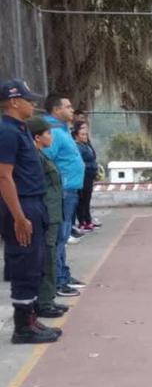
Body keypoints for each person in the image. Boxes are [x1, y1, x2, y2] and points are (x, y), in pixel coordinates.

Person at [0, 80, 60, 344]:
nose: (33, 104)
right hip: (21, 205)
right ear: (14, 101)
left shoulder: (20, 128)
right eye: (29, 100)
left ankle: (31, 319)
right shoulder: (7, 132)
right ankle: (22, 327)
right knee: (24, 263)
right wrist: (19, 217)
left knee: (34, 263)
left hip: (33, 202)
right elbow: (3, 176)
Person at [42, 93, 86, 295]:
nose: (71, 109)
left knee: (64, 234)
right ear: (56, 110)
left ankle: (64, 275)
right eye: (67, 106)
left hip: (70, 190)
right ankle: (58, 280)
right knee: (59, 236)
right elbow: (46, 159)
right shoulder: (52, 132)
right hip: (63, 192)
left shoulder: (61, 130)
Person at [27, 116, 71, 317]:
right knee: (47, 258)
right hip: (46, 214)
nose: (51, 136)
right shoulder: (34, 158)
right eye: (47, 133)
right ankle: (43, 302)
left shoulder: (41, 155)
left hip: (53, 213)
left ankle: (48, 298)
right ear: (37, 137)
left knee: (50, 257)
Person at [73, 120, 98, 231]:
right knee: (82, 199)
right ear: (76, 135)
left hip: (90, 176)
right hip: (84, 176)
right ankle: (82, 221)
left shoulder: (86, 145)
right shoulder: (78, 147)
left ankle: (88, 220)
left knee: (87, 199)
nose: (85, 136)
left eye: (86, 134)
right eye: (82, 134)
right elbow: (79, 162)